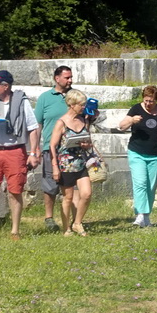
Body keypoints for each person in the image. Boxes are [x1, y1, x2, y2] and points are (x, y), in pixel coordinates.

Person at [0, 70, 40, 240]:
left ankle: (15, 230)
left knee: (15, 191)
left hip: (14, 151)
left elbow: (33, 128)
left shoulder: (21, 103)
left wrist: (33, 153)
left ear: (5, 86)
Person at [119, 85, 157, 228]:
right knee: (140, 183)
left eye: (152, 101)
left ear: (156, 100)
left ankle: (146, 216)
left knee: (151, 186)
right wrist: (132, 120)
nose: (149, 104)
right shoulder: (136, 109)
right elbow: (121, 126)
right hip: (137, 153)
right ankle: (140, 215)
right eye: (146, 100)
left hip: (156, 155)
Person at [49, 90, 95, 236]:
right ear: (71, 104)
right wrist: (55, 167)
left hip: (81, 162)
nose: (83, 107)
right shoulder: (61, 123)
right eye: (81, 105)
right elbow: (52, 145)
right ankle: (66, 228)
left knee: (86, 194)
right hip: (66, 164)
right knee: (68, 197)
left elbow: (89, 141)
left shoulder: (84, 120)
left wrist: (86, 145)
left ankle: (77, 223)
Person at [34, 65, 73, 231]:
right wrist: (35, 147)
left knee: (73, 185)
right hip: (51, 148)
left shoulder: (75, 96)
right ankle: (49, 218)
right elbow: (37, 124)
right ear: (57, 79)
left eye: (71, 77)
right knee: (50, 184)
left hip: (72, 148)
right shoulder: (44, 98)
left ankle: (73, 219)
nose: (70, 80)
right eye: (67, 77)